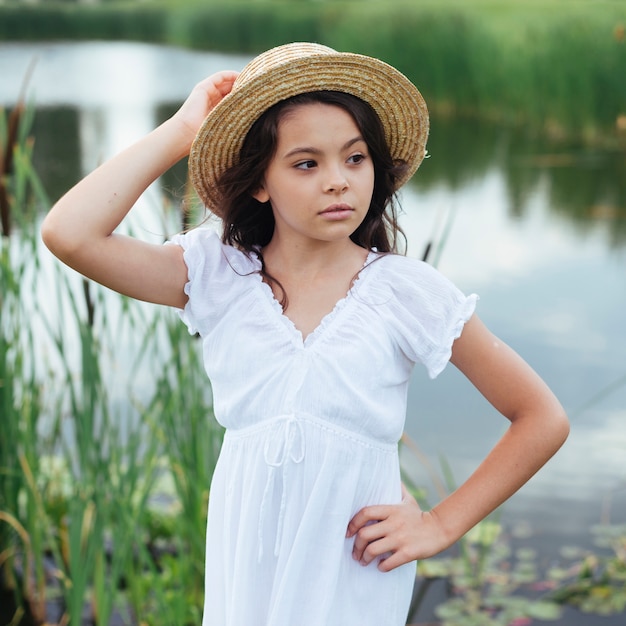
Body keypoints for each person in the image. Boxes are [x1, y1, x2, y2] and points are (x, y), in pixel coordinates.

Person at [41, 42, 569, 626]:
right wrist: (182, 130)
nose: (338, 182)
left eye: (355, 158)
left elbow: (541, 417)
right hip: (248, 568)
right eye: (306, 163)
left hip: (351, 569)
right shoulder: (218, 273)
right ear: (260, 182)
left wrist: (440, 524)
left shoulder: (405, 291)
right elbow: (71, 234)